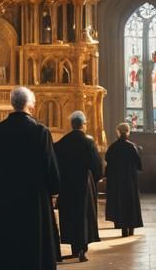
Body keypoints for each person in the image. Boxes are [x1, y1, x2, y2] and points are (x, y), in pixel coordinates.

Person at [0, 87, 60, 270]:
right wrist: (54, 189)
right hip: (34, 198)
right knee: (32, 243)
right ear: (30, 104)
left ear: (12, 103)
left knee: (4, 244)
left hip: (3, 197)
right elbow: (50, 166)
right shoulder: (41, 131)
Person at [53, 111, 102, 262]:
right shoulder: (88, 141)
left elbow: (55, 165)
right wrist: (95, 178)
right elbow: (97, 165)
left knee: (71, 215)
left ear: (71, 124)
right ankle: (82, 249)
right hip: (84, 184)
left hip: (67, 184)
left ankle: (75, 247)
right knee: (84, 215)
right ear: (83, 124)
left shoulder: (62, 142)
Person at [105, 122, 142, 237]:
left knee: (120, 203)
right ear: (128, 132)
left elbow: (108, 162)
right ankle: (131, 228)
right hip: (130, 181)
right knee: (130, 203)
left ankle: (123, 229)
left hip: (117, 182)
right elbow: (139, 165)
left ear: (117, 132)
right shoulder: (132, 146)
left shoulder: (113, 147)